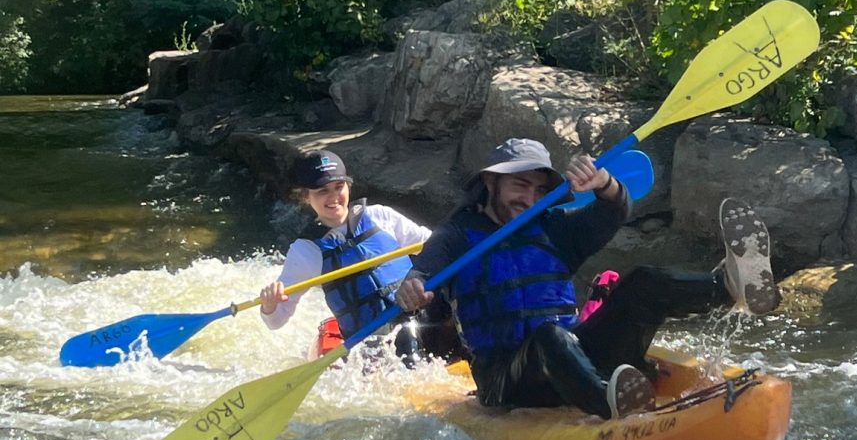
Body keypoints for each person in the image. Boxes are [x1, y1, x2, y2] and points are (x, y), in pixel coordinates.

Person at [394, 137, 780, 420]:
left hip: (568, 358)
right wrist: (413, 286)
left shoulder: (555, 229)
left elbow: (616, 211)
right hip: (505, 382)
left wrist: (604, 184)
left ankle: (730, 288)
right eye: (519, 185)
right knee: (550, 335)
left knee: (644, 281)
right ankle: (610, 406)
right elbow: (424, 270)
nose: (528, 199)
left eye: (538, 189)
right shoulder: (458, 234)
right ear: (492, 183)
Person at [259, 148, 437, 362]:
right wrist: (269, 306)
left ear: (348, 186)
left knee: (412, 334)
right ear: (306, 196)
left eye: (339, 187)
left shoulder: (381, 216)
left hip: (422, 318)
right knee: (406, 346)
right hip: (371, 343)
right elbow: (276, 321)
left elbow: (435, 247)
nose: (334, 197)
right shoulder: (306, 251)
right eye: (322, 191)